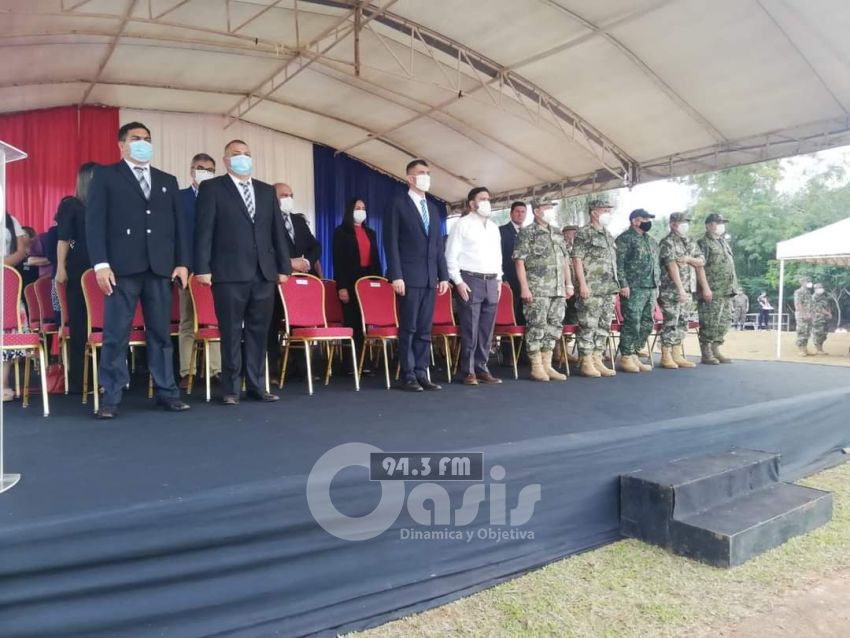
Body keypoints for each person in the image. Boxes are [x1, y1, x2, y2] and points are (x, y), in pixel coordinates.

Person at [86, 121, 190, 418]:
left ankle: (167, 391)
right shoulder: (106, 176)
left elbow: (180, 226)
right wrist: (101, 264)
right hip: (121, 268)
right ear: (122, 145)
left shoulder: (167, 180)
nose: (142, 142)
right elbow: (95, 223)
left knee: (160, 333)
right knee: (116, 334)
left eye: (146, 138)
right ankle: (111, 395)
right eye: (135, 138)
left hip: (160, 268)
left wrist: (182, 262)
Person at [194, 139, 291, 405]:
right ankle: (231, 388)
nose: (242, 158)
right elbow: (203, 231)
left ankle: (257, 385)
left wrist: (283, 267)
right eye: (236, 154)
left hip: (264, 273)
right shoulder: (212, 188)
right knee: (231, 331)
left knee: (259, 331)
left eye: (246, 154)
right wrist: (202, 267)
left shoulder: (265, 191)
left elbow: (277, 232)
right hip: (227, 273)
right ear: (225, 160)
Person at [382, 159, 449, 392]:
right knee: (408, 328)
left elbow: (438, 246)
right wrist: (396, 275)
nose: (426, 177)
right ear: (410, 178)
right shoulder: (397, 204)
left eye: (428, 173)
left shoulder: (432, 208)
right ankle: (407, 374)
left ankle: (422, 373)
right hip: (408, 276)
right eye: (421, 173)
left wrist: (444, 275)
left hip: (431, 278)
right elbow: (390, 242)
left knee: (424, 329)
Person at [445, 187, 502, 385]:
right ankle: (467, 370)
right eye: (482, 199)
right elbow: (450, 256)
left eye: (489, 198)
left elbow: (498, 256)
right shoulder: (462, 224)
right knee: (470, 326)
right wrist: (458, 281)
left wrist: (499, 279)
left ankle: (481, 367)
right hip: (470, 279)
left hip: (491, 280)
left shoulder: (494, 227)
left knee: (487, 329)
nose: (487, 202)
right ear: (472, 203)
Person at [513, 199, 573, 382]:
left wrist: (568, 283)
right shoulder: (527, 233)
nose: (551, 211)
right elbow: (519, 261)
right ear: (537, 211)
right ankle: (537, 366)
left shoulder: (556, 232)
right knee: (537, 326)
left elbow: (564, 261)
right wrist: (524, 287)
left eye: (552, 208)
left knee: (554, 326)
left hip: (558, 289)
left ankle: (548, 364)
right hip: (537, 288)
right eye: (547, 208)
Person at [268, 182, 322, 374]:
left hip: (302, 284)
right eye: (283, 195)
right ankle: (272, 370)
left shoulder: (298, 221)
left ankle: (301, 368)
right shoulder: (265, 221)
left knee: (301, 322)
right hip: (277, 282)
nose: (288, 198)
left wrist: (306, 262)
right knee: (272, 324)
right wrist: (289, 263)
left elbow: (315, 246)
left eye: (291, 194)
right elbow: (265, 250)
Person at [177, 153, 221, 389]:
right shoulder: (180, 198)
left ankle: (215, 370)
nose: (205, 171)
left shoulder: (220, 195)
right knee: (187, 321)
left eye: (210, 169)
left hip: (216, 270)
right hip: (188, 268)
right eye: (200, 167)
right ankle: (188, 371)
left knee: (214, 321)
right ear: (192, 170)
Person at [55, 162, 96, 394]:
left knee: (101, 323)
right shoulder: (71, 205)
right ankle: (80, 379)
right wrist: (61, 267)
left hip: (101, 268)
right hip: (79, 268)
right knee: (80, 323)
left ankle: (102, 375)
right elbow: (63, 238)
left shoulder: (103, 205)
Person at [331, 197, 382, 368]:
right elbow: (338, 261)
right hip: (349, 279)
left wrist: (379, 281)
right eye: (357, 207)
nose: (361, 211)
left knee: (365, 322)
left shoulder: (371, 233)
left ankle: (365, 362)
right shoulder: (340, 232)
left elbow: (376, 259)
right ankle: (350, 364)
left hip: (368, 280)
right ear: (350, 210)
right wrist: (342, 286)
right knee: (352, 321)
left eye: (363, 208)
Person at [572, 199, 618, 378]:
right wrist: (582, 284)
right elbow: (577, 259)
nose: (608, 213)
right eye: (605, 209)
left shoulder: (607, 234)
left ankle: (597, 358)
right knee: (588, 324)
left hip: (607, 288)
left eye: (609, 209)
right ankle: (586, 361)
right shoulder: (584, 233)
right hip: (591, 287)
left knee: (604, 325)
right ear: (594, 212)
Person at [615, 209, 660, 373]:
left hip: (650, 287)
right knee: (632, 321)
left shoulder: (650, 240)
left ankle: (634, 352)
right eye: (645, 218)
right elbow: (618, 264)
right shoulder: (625, 239)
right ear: (635, 221)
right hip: (633, 287)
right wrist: (623, 284)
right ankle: (626, 355)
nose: (648, 221)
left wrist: (657, 285)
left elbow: (656, 264)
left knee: (647, 322)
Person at [657, 212, 704, 369]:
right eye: (682, 222)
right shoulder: (667, 242)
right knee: (671, 321)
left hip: (688, 288)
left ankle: (677, 353)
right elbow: (671, 266)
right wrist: (680, 289)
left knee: (683, 322)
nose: (685, 225)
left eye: (686, 222)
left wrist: (689, 259)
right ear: (673, 224)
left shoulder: (689, 241)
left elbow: (701, 261)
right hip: (671, 290)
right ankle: (666, 354)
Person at [696, 213, 740, 364]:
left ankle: (715, 348)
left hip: (727, 289)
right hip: (712, 289)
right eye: (717, 223)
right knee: (710, 321)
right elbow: (699, 267)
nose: (721, 226)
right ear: (709, 225)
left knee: (724, 321)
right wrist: (705, 288)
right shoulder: (703, 243)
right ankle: (706, 352)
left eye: (722, 223)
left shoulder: (723, 242)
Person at [3, 212, 30, 402]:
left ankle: (3, 383)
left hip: (6, 278)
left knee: (9, 331)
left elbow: (21, 251)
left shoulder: (11, 220)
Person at [499, 201, 527, 326]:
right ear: (511, 214)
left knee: (524, 319)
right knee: (510, 320)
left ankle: (523, 346)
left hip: (527, 284)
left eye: (523, 212)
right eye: (517, 211)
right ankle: (507, 346)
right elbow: (496, 257)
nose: (520, 214)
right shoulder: (502, 231)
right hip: (509, 282)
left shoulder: (528, 233)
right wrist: (503, 278)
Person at [794, 276, 814, 356]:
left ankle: (805, 349)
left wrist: (811, 314)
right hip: (802, 315)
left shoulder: (808, 292)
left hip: (809, 315)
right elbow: (798, 304)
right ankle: (801, 350)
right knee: (802, 331)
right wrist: (803, 314)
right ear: (802, 282)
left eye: (809, 281)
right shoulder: (799, 292)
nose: (809, 283)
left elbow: (811, 305)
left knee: (807, 332)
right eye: (807, 281)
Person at [811, 283, 832, 355]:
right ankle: (817, 350)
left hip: (824, 318)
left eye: (822, 287)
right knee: (818, 333)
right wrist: (827, 313)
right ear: (815, 289)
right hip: (817, 318)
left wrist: (829, 313)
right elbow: (818, 308)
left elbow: (828, 306)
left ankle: (821, 349)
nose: (821, 288)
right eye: (819, 287)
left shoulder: (824, 297)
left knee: (823, 334)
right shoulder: (813, 297)